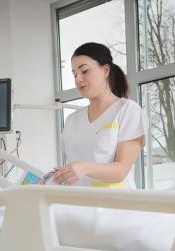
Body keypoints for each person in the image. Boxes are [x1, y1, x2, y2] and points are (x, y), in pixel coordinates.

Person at [52, 42, 148, 188]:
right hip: (77, 200)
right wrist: (58, 177)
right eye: (74, 74)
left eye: (84, 71)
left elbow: (121, 170)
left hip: (115, 201)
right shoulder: (72, 120)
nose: (78, 79)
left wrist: (85, 168)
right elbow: (74, 171)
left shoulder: (127, 110)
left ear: (105, 71)